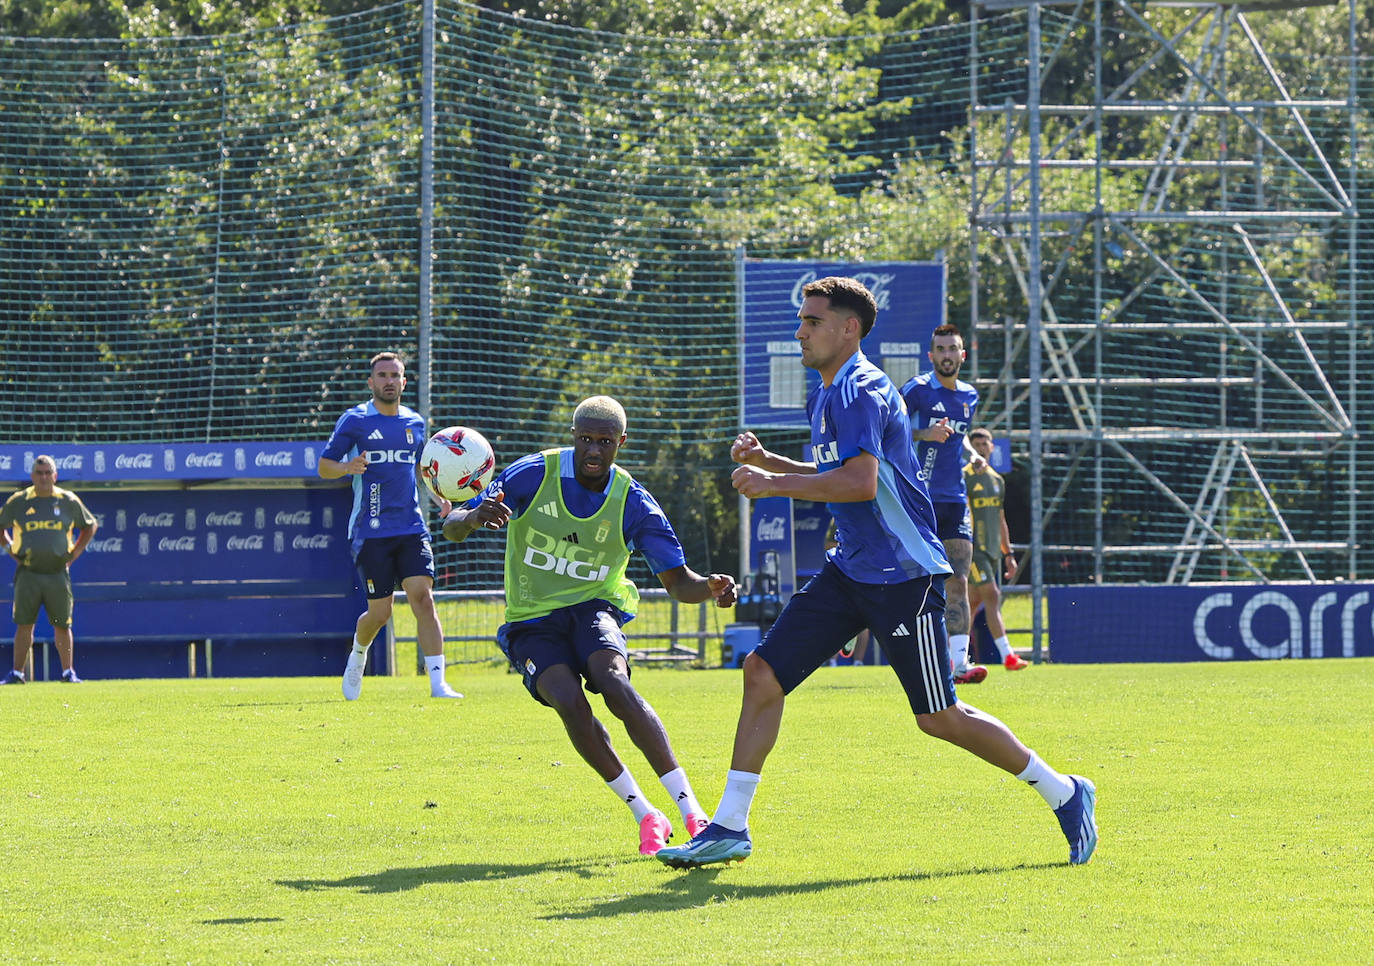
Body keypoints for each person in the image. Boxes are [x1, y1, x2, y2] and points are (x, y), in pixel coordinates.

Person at [655, 276, 1096, 869]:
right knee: (762, 672)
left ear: (848, 328)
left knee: (938, 718)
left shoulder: (861, 389)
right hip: (852, 571)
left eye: (812, 321)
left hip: (904, 578)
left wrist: (773, 484)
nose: (800, 330)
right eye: (802, 320)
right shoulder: (828, 391)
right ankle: (730, 825)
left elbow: (860, 484)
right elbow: (835, 470)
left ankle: (1065, 792)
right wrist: (771, 462)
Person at [442, 395, 738, 856]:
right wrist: (475, 515)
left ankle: (692, 811)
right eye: (585, 440)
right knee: (567, 698)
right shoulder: (534, 474)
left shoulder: (632, 501)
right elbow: (453, 526)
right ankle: (646, 814)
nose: (594, 451)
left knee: (612, 680)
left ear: (621, 442)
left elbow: (681, 584)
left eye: (604, 442)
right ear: (572, 437)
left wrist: (712, 587)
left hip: (593, 610)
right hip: (532, 620)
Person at [318, 351, 462, 700]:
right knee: (380, 613)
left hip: (411, 527)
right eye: (381, 375)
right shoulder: (355, 421)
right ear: (371, 382)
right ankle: (358, 654)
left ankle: (438, 683)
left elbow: (421, 469)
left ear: (404, 382)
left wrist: (439, 496)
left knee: (422, 598)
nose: (388, 381)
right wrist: (347, 468)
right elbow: (324, 466)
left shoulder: (415, 423)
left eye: (394, 375)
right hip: (370, 531)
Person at [900, 322, 987, 684]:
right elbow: (887, 430)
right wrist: (924, 433)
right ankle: (850, 630)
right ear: (930, 354)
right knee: (901, 581)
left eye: (953, 349)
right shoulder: (917, 391)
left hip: (954, 499)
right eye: (941, 349)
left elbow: (959, 437)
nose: (947, 355)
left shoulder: (969, 396)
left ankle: (958, 665)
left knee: (958, 581)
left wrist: (973, 455)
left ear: (962, 355)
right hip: (917, 497)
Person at [0, 455, 98, 684]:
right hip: (28, 573)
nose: (44, 477)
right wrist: (10, 549)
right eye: (39, 473)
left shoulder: (67, 500)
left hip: (57, 573)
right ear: (32, 476)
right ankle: (17, 673)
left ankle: (68, 672)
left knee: (63, 624)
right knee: (24, 624)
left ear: (55, 476)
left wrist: (74, 554)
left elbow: (90, 525)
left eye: (48, 473)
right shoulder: (19, 501)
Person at [965, 428, 1029, 671]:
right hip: (974, 549)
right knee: (992, 595)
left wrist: (1008, 554)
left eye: (985, 443)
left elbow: (1001, 519)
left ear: (992, 447)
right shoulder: (965, 476)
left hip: (992, 552)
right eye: (977, 444)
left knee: (970, 604)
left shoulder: (996, 479)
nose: (981, 447)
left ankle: (952, 657)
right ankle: (1008, 656)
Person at [824, 516, 869, 664]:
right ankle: (833, 661)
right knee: (837, 616)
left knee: (865, 620)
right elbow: (828, 545)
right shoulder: (838, 517)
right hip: (843, 571)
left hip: (865, 574)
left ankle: (858, 662)